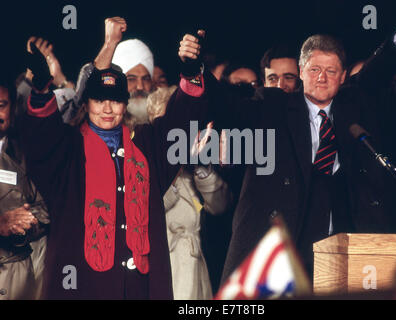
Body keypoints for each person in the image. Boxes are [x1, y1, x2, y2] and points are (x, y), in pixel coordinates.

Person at [178, 0, 396, 283]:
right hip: (273, 253)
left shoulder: (355, 108)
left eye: (331, 71)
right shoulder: (272, 105)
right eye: (315, 69)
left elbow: (386, 73)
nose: (321, 78)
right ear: (301, 71)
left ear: (343, 77)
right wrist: (195, 68)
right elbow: (224, 104)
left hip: (337, 257)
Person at [20, 21, 209, 299]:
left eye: (116, 101)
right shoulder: (69, 149)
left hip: (140, 289)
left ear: (125, 103)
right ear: (87, 103)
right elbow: (39, 137)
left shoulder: (146, 144)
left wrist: (191, 71)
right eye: (99, 100)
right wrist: (39, 88)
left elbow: (181, 121)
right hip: (81, 289)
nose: (107, 109)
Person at [145, 87, 232, 299]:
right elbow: (148, 208)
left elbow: (220, 206)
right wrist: (172, 171)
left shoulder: (194, 164)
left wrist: (201, 168)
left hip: (194, 265)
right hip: (162, 264)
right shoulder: (143, 162)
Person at [0, 73, 49, 300]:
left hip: (19, 281)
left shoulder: (26, 153)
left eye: (2, 105)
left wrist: (26, 224)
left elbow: (46, 207)